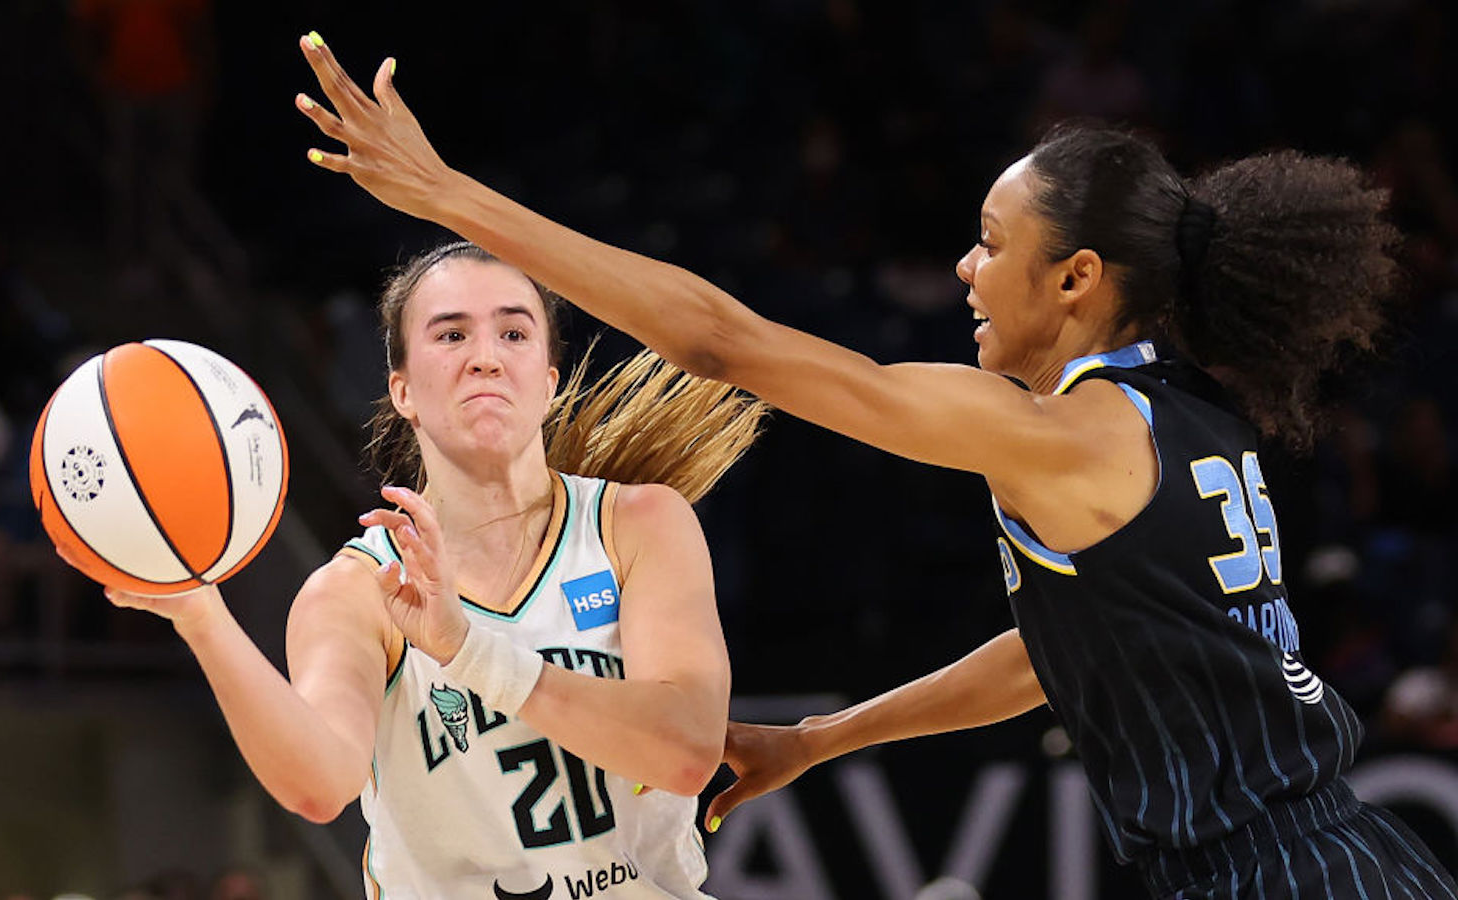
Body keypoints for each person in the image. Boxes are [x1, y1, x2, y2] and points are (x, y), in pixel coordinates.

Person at [293, 31, 1457, 898]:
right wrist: (818, 739)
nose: (962, 267)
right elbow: (1059, 651)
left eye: (991, 244)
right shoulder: (1187, 413)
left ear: (1076, 280)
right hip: (1332, 854)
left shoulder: (1061, 433)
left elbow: (720, 343)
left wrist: (449, 198)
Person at [86, 241, 765, 898]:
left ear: (550, 382)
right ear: (402, 391)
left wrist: (467, 651)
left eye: (514, 334)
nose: (485, 359)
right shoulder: (355, 592)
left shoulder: (638, 525)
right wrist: (204, 620)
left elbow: (685, 749)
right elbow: (319, 785)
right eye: (450, 336)